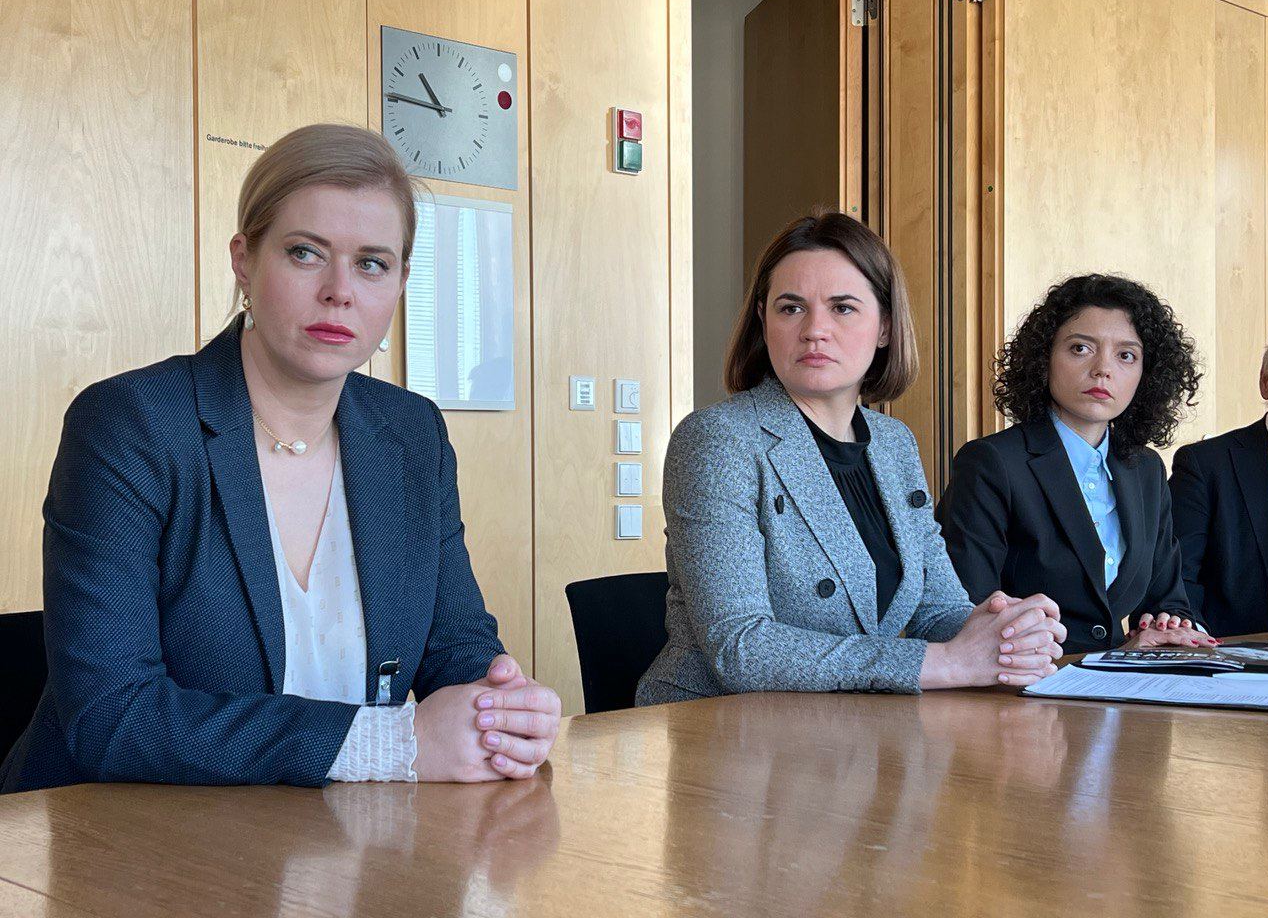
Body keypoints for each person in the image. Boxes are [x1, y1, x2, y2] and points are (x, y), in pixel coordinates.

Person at [0, 124, 560, 793]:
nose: (340, 290)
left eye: (372, 264)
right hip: (116, 832)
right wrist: (388, 744)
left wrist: (503, 711)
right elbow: (111, 718)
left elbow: (457, 648)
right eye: (305, 253)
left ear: (401, 282)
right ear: (245, 261)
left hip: (337, 835)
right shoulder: (132, 425)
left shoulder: (412, 435)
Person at [635, 212, 1065, 706]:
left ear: (885, 327)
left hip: (849, 721)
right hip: (717, 726)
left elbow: (936, 609)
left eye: (842, 308)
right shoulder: (717, 439)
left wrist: (1004, 633)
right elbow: (741, 647)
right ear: (763, 322)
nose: (814, 330)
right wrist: (945, 662)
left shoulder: (893, 443)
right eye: (791, 308)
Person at [939, 274, 1218, 655]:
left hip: (1122, 682)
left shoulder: (1146, 469)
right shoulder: (991, 463)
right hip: (1020, 679)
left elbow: (1167, 599)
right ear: (1044, 358)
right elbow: (965, 613)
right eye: (1080, 348)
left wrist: (1166, 625)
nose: (1103, 369)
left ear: (1147, 375)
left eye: (1126, 355)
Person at [1169, 329, 1268, 637]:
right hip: (1237, 656)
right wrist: (1194, 636)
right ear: (1265, 382)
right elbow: (1175, 581)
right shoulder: (1205, 465)